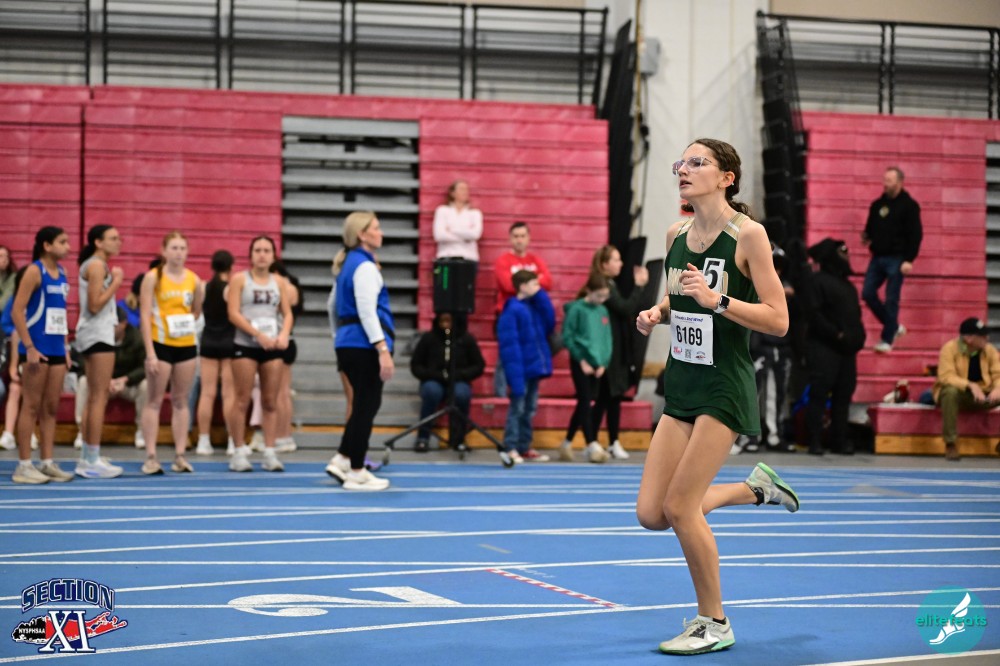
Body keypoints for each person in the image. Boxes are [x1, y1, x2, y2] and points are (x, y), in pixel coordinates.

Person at [635, 139, 798, 655]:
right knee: (652, 513)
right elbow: (678, 296)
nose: (684, 169)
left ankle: (715, 622)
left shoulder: (749, 235)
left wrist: (718, 300)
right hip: (682, 383)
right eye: (681, 162)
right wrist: (659, 312)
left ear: (727, 177)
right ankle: (753, 489)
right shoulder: (675, 234)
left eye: (697, 162)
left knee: (681, 508)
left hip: (724, 385)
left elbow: (779, 319)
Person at [326, 211, 394, 490]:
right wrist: (382, 348)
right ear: (362, 234)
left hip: (348, 341)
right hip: (363, 344)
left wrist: (339, 336)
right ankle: (356, 470)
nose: (381, 233)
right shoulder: (365, 266)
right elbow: (367, 311)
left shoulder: (348, 264)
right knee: (367, 406)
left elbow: (332, 305)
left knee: (361, 405)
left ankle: (343, 457)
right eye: (376, 228)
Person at [10, 226, 74, 484]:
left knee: (50, 408)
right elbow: (17, 311)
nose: (68, 246)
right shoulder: (34, 272)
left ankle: (47, 462)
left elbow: (60, 314)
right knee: (31, 406)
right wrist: (29, 347)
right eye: (62, 242)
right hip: (36, 348)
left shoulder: (63, 274)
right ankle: (24, 465)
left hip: (56, 348)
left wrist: (66, 348)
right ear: (47, 246)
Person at [139, 231, 204, 475]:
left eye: (182, 248)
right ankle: (151, 456)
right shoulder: (153, 278)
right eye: (174, 248)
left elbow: (196, 311)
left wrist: (183, 322)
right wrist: (150, 352)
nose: (178, 253)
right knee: (154, 400)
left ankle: (180, 455)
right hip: (160, 343)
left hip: (186, 344)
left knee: (181, 400)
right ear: (164, 251)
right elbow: (145, 315)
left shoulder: (194, 280)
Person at [227, 236, 293, 473]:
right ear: (251, 254)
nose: (262, 254)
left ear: (274, 255)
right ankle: (238, 450)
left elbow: (287, 313)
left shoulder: (279, 282)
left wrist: (284, 334)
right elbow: (233, 313)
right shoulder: (240, 280)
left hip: (272, 345)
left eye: (266, 250)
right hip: (246, 344)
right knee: (242, 398)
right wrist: (256, 334)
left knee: (270, 401)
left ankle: (269, 451)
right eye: (258, 250)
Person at [584, 244, 650, 462]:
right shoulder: (603, 285)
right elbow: (625, 308)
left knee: (613, 397)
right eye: (616, 259)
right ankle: (593, 441)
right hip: (608, 349)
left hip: (617, 347)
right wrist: (639, 286)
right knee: (606, 397)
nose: (620, 264)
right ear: (605, 264)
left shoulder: (611, 283)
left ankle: (611, 441)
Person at [801, 238, 866, 456]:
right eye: (841, 252)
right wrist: (835, 334)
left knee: (843, 395)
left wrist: (858, 337)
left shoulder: (848, 286)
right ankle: (815, 440)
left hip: (847, 349)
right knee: (819, 394)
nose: (846, 257)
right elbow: (814, 314)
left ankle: (839, 440)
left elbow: (855, 316)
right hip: (824, 347)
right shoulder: (816, 281)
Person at [73, 225, 126, 478]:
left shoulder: (95, 265)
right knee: (99, 397)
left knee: (95, 396)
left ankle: (87, 456)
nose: (119, 242)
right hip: (97, 335)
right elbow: (94, 305)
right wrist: (116, 282)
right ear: (98, 242)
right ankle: (91, 459)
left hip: (94, 334)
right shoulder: (96, 266)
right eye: (113, 238)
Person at [861, 166, 922, 353]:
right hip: (878, 257)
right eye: (884, 180)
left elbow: (915, 235)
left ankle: (887, 339)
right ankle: (894, 326)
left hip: (897, 258)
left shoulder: (909, 206)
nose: (885, 184)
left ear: (900, 182)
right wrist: (867, 237)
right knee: (867, 293)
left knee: (891, 298)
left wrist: (909, 259)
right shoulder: (877, 205)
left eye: (889, 180)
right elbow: (870, 228)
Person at [497, 269, 555, 463]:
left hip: (533, 368)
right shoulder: (512, 310)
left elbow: (550, 321)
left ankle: (524, 446)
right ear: (522, 286)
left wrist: (540, 296)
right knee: (517, 409)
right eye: (534, 284)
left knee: (529, 409)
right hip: (519, 370)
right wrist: (515, 377)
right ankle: (510, 446)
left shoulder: (533, 307)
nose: (538, 288)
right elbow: (509, 347)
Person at [410, 312, 485, 453]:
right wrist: (434, 374)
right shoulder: (428, 338)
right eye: (443, 321)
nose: (445, 325)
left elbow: (478, 365)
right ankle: (423, 437)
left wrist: (461, 374)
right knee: (431, 391)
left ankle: (459, 439)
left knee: (462, 394)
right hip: (434, 379)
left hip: (459, 380)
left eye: (449, 322)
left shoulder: (466, 339)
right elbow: (416, 365)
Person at [493, 222, 553, 396]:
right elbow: (508, 285)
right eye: (516, 236)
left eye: (522, 236)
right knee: (506, 354)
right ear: (510, 239)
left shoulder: (535, 260)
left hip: (532, 315)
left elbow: (548, 282)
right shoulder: (503, 260)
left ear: (528, 238)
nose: (519, 240)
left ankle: (528, 392)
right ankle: (500, 394)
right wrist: (534, 282)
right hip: (508, 312)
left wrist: (525, 283)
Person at [75, 306, 147, 451]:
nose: (111, 328)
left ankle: (141, 431)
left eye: (114, 325)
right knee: (83, 382)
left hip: (126, 384)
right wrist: (103, 380)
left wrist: (126, 379)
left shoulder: (137, 338)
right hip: (102, 383)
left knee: (146, 385)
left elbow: (144, 367)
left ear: (124, 324)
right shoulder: (98, 336)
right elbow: (84, 363)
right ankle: (82, 431)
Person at [558, 273, 612, 464]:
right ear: (589, 291)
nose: (602, 299)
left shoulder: (603, 310)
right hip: (581, 361)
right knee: (585, 400)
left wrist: (604, 362)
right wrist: (581, 359)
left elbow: (607, 338)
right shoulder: (577, 309)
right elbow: (568, 335)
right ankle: (591, 444)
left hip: (598, 363)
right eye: (599, 295)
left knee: (585, 403)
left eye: (605, 296)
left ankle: (567, 442)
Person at [933, 317, 1000, 462]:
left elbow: (998, 374)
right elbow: (946, 376)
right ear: (968, 338)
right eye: (982, 336)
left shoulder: (990, 350)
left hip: (985, 394)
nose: (987, 338)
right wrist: (970, 385)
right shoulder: (949, 349)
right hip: (961, 395)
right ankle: (950, 443)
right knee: (949, 391)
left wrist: (998, 387)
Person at [194, 250, 237, 456]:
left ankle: (203, 440)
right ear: (231, 266)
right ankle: (232, 440)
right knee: (229, 393)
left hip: (208, 340)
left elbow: (197, 312)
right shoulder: (230, 289)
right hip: (228, 341)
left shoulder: (203, 287)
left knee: (207, 392)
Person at [271, 259, 303, 454]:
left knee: (281, 393)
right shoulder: (292, 287)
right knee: (282, 393)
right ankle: (284, 435)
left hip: (282, 341)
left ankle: (283, 435)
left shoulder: (283, 288)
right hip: (288, 341)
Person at [433, 180, 483, 265]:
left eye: (466, 189)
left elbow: (475, 235)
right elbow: (439, 235)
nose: (465, 192)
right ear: (452, 193)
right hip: (446, 256)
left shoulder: (475, 213)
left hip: (469, 258)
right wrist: (466, 238)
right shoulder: (442, 210)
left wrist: (451, 230)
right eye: (461, 189)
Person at [0, 245, 17, 312]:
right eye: (0, 256)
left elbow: (4, 302)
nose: (5, 260)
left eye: (7, 256)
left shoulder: (13, 277)